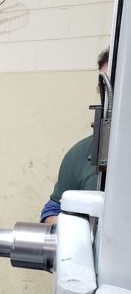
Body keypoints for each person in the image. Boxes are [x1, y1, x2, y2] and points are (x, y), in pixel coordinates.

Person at [41, 48, 109, 224]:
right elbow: (52, 211)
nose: (108, 93)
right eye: (104, 85)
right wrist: (80, 231)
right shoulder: (81, 153)